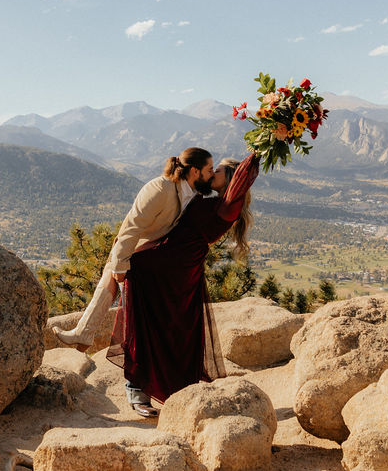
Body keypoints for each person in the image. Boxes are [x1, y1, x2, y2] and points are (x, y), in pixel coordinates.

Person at [107, 153, 259, 416]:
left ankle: (176, 391)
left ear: (232, 180)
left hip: (178, 269)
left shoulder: (228, 205)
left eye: (219, 171)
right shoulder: (210, 199)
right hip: (164, 265)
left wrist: (265, 145)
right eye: (212, 169)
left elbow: (245, 175)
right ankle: (136, 390)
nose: (213, 174)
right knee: (146, 324)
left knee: (178, 332)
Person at [52, 147, 215, 355]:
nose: (212, 174)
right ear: (194, 171)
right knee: (116, 281)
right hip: (137, 252)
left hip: (156, 255)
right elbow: (132, 227)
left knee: (114, 282)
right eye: (209, 169)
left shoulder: (192, 193)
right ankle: (114, 347)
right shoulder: (160, 188)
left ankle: (85, 334)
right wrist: (120, 264)